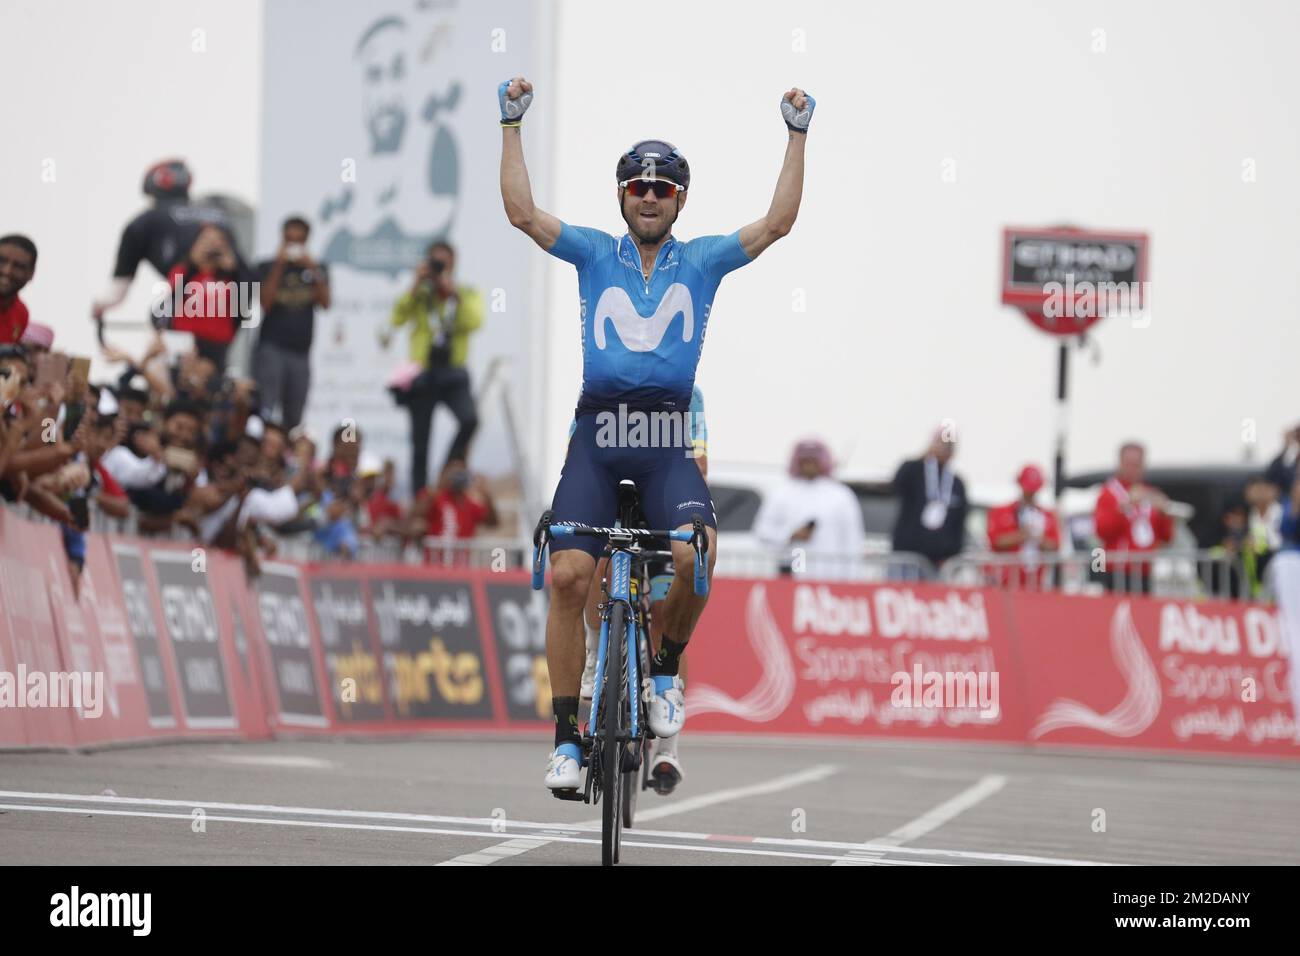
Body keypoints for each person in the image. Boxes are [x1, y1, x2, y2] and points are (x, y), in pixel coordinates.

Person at [499, 74, 813, 790]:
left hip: (667, 438)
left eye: (662, 188)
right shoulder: (590, 252)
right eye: (637, 186)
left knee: (697, 553)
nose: (648, 196)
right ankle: (568, 740)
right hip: (598, 439)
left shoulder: (701, 259)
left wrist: (796, 136)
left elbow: (776, 224)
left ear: (680, 200)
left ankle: (665, 671)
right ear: (621, 195)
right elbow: (521, 213)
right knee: (569, 575)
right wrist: (510, 125)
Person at [386, 241, 483, 493]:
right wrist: (416, 284)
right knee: (420, 440)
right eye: (434, 263)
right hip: (423, 373)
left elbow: (475, 321)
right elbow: (396, 318)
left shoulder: (465, 292)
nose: (439, 268)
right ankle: (419, 494)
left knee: (469, 420)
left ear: (453, 264)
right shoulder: (420, 295)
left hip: (453, 372)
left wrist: (453, 294)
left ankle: (446, 473)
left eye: (444, 263)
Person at [753, 437, 866, 580]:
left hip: (833, 575)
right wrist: (791, 534)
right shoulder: (781, 493)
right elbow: (763, 531)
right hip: (795, 571)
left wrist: (853, 578)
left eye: (814, 460)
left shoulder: (841, 496)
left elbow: (853, 540)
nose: (809, 465)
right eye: (805, 460)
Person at [255, 216, 331, 429]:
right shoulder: (266, 266)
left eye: (299, 240)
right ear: (282, 238)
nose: (294, 244)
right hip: (272, 348)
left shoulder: (317, 269)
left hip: (301, 351)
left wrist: (312, 269)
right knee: (266, 407)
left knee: (295, 415)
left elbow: (326, 303)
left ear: (306, 241)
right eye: (290, 239)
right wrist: (279, 266)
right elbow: (266, 303)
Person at [1092, 441, 1174, 593]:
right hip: (1117, 571)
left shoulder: (1150, 494)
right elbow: (1102, 531)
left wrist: (1164, 515)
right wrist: (1125, 506)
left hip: (1145, 571)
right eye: (1129, 463)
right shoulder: (1109, 492)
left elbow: (1166, 537)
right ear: (1120, 464)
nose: (1134, 469)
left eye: (1138, 464)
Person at [891, 429, 968, 578]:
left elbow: (960, 524)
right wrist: (926, 455)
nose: (943, 449)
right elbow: (897, 483)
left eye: (948, 446)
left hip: (938, 564)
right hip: (907, 559)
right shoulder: (914, 470)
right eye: (940, 444)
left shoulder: (957, 483)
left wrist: (954, 554)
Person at [984, 464, 1060, 589]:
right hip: (1004, 584)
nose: (1031, 493)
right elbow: (995, 541)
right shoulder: (1001, 511)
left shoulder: (1048, 516)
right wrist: (1022, 535)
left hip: (1035, 583)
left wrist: (1037, 538)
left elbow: (1055, 546)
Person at [0, 234, 37, 346]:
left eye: (19, 266)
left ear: (31, 273)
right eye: (1, 261)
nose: (7, 271)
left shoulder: (21, 313)